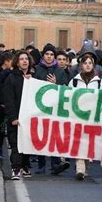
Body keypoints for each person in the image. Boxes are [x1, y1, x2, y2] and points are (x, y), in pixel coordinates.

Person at [34, 43, 69, 175]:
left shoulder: (60, 71)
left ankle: (55, 164)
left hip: (55, 109)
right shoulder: (37, 69)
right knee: (41, 136)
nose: (49, 57)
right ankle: (41, 164)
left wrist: (56, 84)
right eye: (47, 54)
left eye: (51, 55)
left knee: (54, 135)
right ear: (43, 55)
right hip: (40, 108)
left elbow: (65, 90)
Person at [71, 55, 102, 180]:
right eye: (85, 63)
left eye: (90, 63)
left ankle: (86, 166)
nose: (88, 65)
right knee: (79, 141)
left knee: (89, 142)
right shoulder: (74, 81)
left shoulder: (100, 82)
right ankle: (80, 168)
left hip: (92, 118)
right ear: (81, 65)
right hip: (78, 117)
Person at [3, 51, 35, 180]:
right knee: (16, 144)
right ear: (17, 62)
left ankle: (25, 165)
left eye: (26, 59)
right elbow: (8, 99)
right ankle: (16, 168)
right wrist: (13, 117)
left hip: (30, 117)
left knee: (27, 143)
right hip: (17, 116)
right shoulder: (11, 78)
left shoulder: (34, 77)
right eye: (21, 59)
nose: (24, 61)